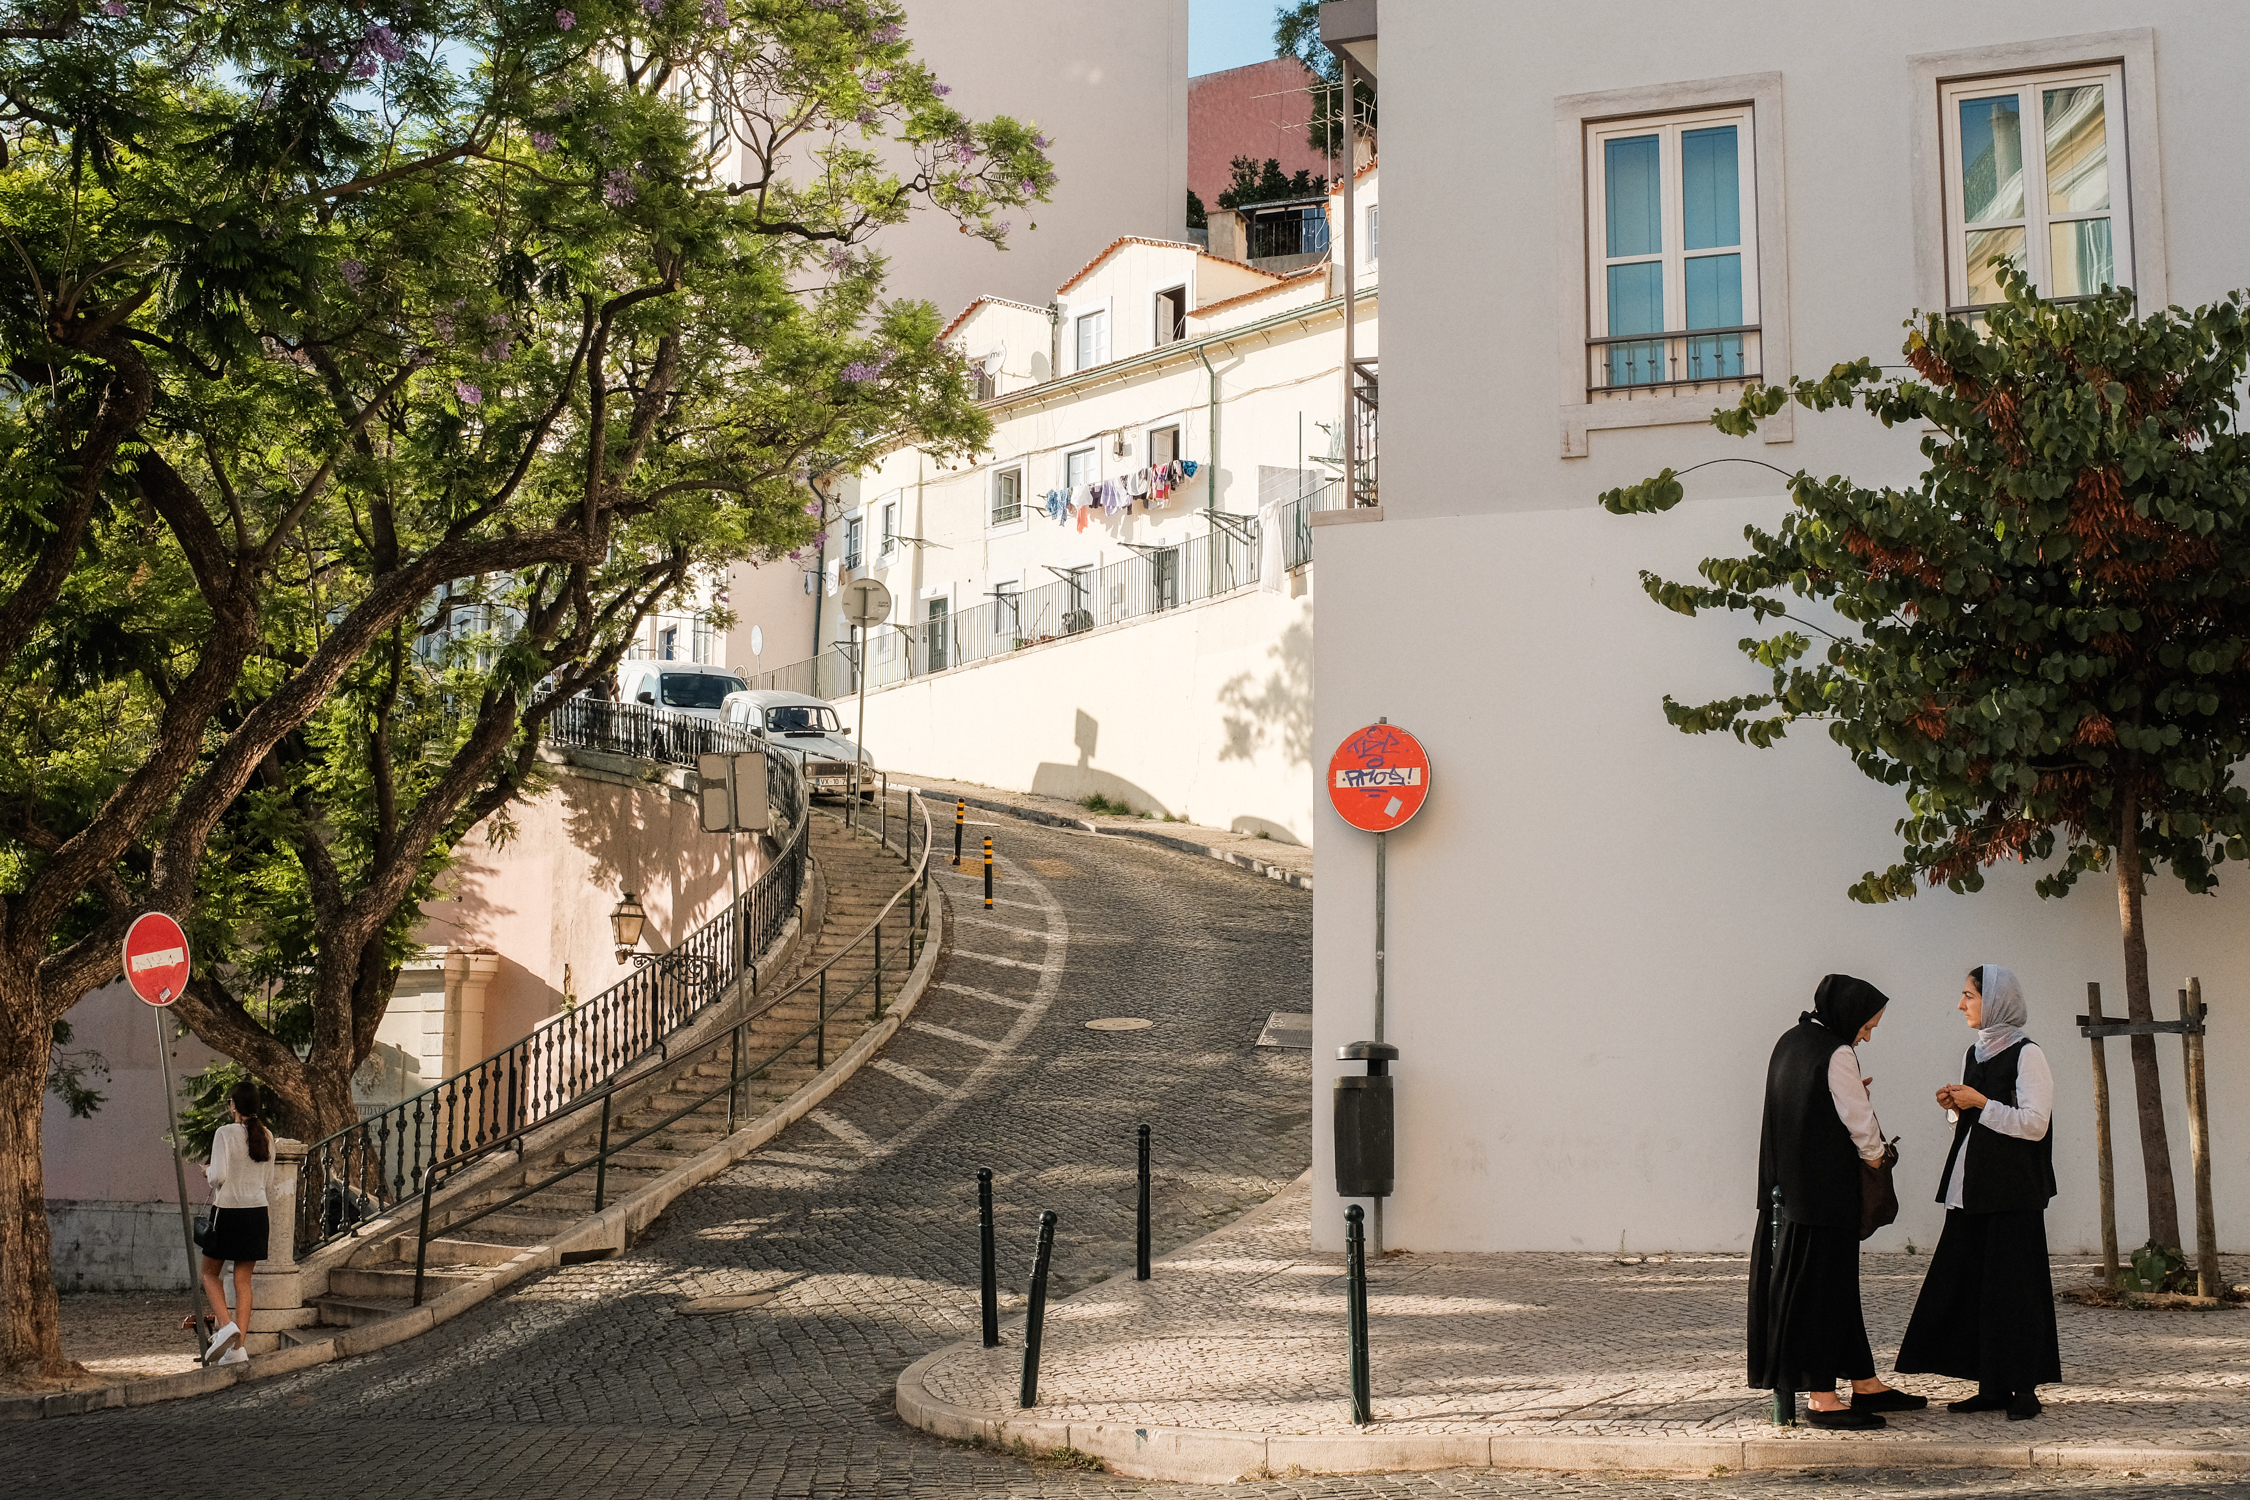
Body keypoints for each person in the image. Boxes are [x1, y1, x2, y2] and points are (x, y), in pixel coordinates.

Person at [1750, 973, 1928, 1428]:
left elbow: (1800, 1106)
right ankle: (1822, 1399)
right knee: (1824, 1294)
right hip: (1825, 1195)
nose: (1867, 1033)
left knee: (1838, 1290)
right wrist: (1877, 1161)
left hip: (1790, 1191)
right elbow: (1861, 1123)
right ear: (1848, 1014)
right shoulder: (1837, 1052)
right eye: (1868, 1024)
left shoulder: (1792, 1040)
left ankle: (1865, 1383)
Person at [1896, 964, 2061, 1419]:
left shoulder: (2029, 1055)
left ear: (1995, 1000)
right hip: (1973, 1191)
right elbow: (1974, 1124)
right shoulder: (1975, 1052)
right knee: (1976, 1288)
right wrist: (1955, 1109)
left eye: (1969, 995)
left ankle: (2024, 1389)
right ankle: (1990, 1387)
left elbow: (2034, 1123)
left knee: (2016, 1290)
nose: (1961, 1004)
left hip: (2013, 1193)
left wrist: (1980, 1103)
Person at [190, 1081, 275, 1366]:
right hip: (257, 1213)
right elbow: (269, 1181)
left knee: (209, 1274)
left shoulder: (224, 1133)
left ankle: (226, 1325)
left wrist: (206, 1171)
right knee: (243, 1281)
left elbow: (219, 1176)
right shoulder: (267, 1135)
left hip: (229, 1211)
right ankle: (238, 1349)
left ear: (234, 1106)